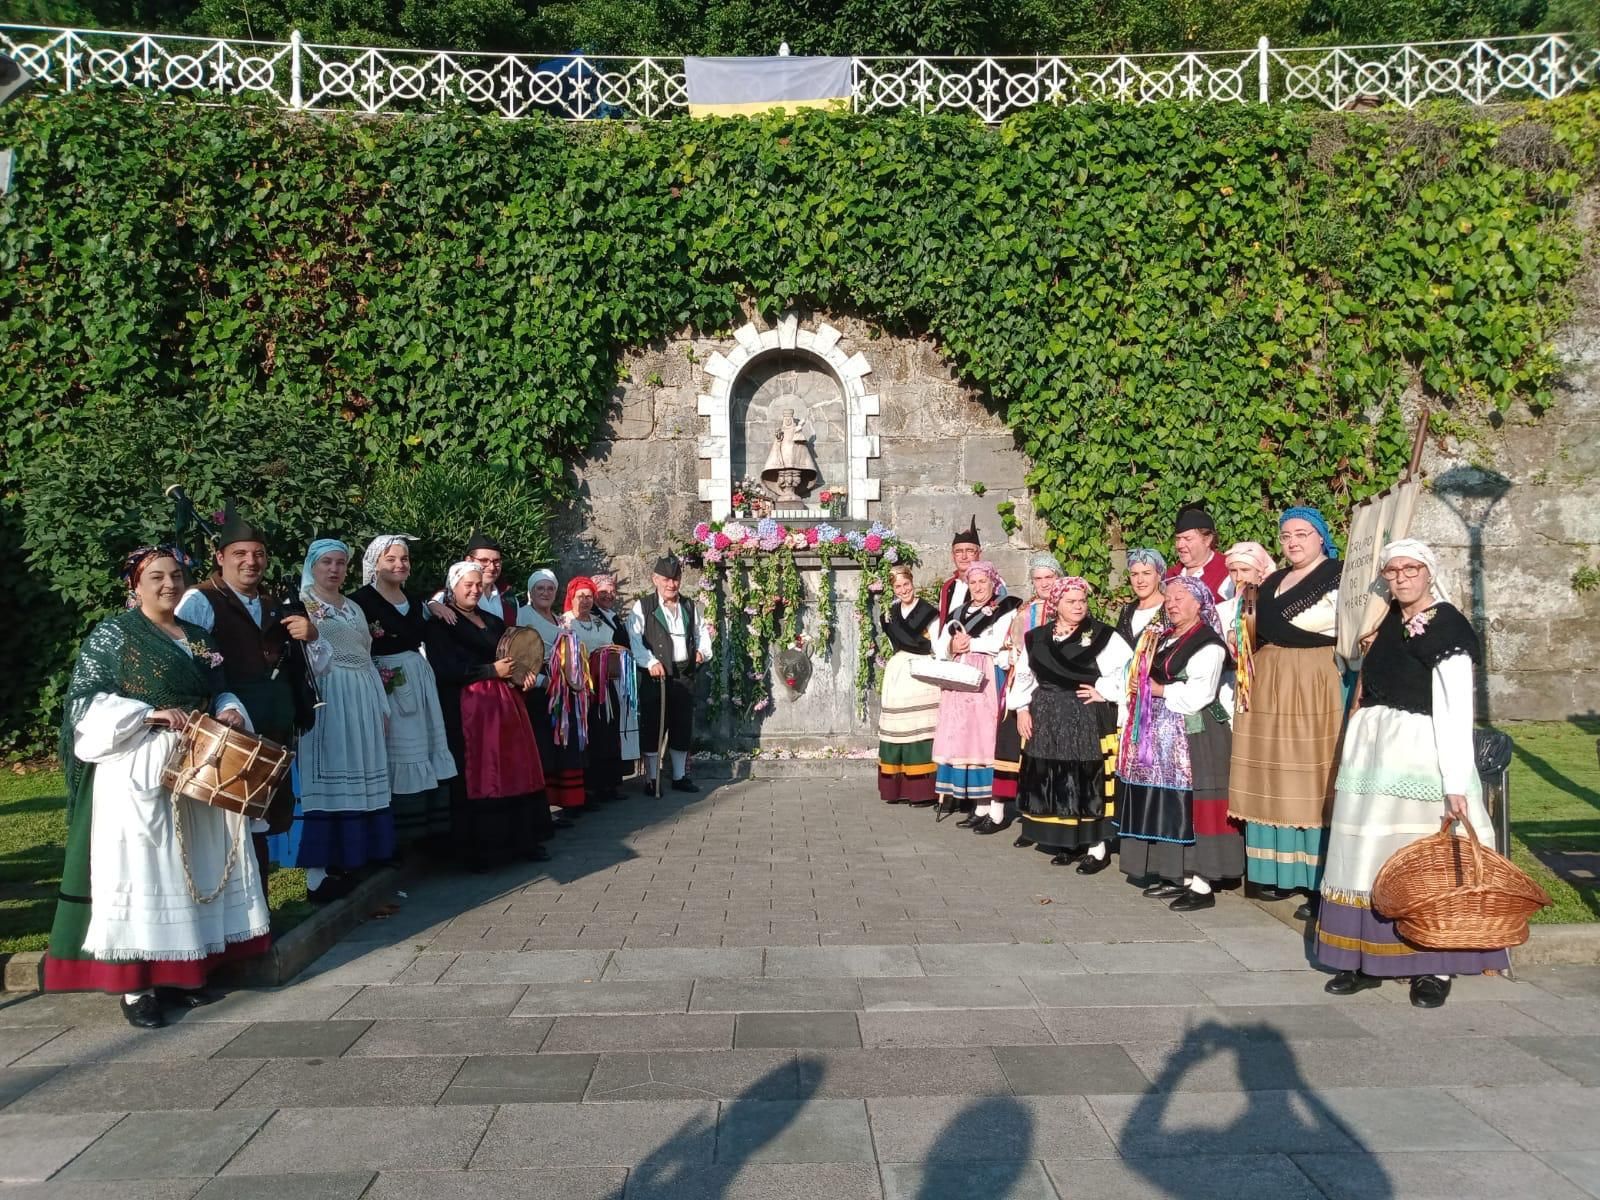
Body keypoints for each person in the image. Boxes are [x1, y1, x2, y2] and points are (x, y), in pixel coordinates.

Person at [45, 546, 270, 1027]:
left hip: (196, 763)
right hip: (138, 766)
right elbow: (85, 706)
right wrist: (147, 714)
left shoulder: (197, 636)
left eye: (175, 576)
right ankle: (136, 987)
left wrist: (229, 708)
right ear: (135, 584)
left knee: (188, 867)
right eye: (156, 577)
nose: (168, 584)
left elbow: (218, 688)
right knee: (145, 867)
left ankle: (182, 973)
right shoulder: (114, 635)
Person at [1316, 539, 1507, 1008]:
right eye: (1393, 572)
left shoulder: (1448, 627)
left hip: (1419, 753)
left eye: (1410, 570)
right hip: (1373, 755)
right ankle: (1365, 956)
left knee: (1420, 853)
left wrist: (1456, 781)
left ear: (1429, 572)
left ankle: (1434, 965)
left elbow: (1455, 707)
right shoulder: (1390, 623)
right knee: (1365, 851)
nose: (1401, 578)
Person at [176, 502, 327, 883]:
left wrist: (311, 637)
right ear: (220, 557)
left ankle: (256, 916)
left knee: (261, 822)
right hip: (228, 735)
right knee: (230, 827)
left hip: (274, 733)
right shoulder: (199, 600)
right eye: (240, 554)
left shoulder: (275, 606)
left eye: (258, 554)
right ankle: (236, 917)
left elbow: (315, 667)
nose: (251, 562)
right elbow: (185, 663)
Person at [1228, 509, 1343, 919]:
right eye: (1286, 535)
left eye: (1302, 534)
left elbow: (1324, 624)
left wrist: (1264, 629)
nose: (1293, 541)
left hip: (1312, 678)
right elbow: (1251, 629)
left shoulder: (1337, 576)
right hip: (1269, 681)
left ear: (1320, 538)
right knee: (1272, 771)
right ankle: (1277, 872)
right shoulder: (1273, 581)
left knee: (1311, 773)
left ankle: (1318, 881)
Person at [1117, 575, 1244, 911]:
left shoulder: (1209, 645)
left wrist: (1158, 690)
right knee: (1173, 806)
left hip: (1197, 734)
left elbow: (1199, 695)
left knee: (1198, 806)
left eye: (1179, 598)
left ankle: (1203, 883)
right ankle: (1179, 874)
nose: (1171, 605)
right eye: (1168, 599)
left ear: (1199, 604)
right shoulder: (1166, 638)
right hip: (1162, 736)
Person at [281, 539, 395, 903]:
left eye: (341, 563)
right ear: (312, 566)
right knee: (329, 771)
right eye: (326, 562)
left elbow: (367, 656)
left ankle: (351, 858)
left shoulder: (354, 608)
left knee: (359, 771)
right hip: (328, 693)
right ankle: (318, 872)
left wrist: (382, 705)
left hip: (362, 693)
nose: (334, 569)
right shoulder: (303, 605)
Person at [424, 562, 551, 869]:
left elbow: (516, 657)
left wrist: (523, 675)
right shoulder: (441, 625)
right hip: (472, 710)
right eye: (467, 584)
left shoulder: (493, 622)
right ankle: (486, 849)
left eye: (478, 584)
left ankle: (521, 841)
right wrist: (490, 671)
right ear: (452, 586)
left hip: (507, 706)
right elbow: (444, 669)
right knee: (484, 774)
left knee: (515, 769)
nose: (474, 589)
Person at [1010, 576, 1133, 869]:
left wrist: (1103, 691)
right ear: (1056, 605)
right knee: (1055, 775)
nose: (1079, 607)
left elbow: (1129, 672)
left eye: (1082, 601)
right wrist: (1021, 709)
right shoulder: (1037, 637)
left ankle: (1097, 847)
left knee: (1085, 778)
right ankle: (1069, 841)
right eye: (1071, 602)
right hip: (1047, 713)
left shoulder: (1103, 635)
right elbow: (1025, 675)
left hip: (1084, 714)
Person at [351, 534, 458, 853]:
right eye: (391, 559)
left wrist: (436, 604)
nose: (400, 564)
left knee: (425, 746)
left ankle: (429, 832)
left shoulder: (415, 600)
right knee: (397, 752)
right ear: (375, 564)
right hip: (385, 681)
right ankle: (398, 837)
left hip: (419, 679)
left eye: (404, 559)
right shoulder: (361, 601)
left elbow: (430, 613)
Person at [931, 561, 1022, 826]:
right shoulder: (959, 610)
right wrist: (951, 644)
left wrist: (973, 642)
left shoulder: (1005, 608)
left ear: (994, 583)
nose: (978, 587)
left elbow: (1005, 640)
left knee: (983, 739)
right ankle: (979, 806)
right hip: (959, 680)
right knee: (964, 739)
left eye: (983, 582)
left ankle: (994, 807)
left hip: (985, 679)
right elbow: (939, 645)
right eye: (973, 582)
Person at [628, 553, 714, 795]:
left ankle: (679, 776)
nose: (671, 584)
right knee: (654, 725)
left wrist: (702, 652)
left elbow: (701, 633)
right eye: (666, 579)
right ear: (655, 579)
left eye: (675, 578)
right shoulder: (643, 606)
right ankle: (652, 779)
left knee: (681, 725)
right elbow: (635, 639)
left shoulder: (689, 605)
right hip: (656, 675)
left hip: (683, 673)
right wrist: (650, 661)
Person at [994, 552, 1065, 837]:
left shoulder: (1067, 608)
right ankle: (1010, 811)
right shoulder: (1024, 610)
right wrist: (1009, 656)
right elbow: (1008, 644)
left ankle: (1042, 816)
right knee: (1012, 746)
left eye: (1049, 578)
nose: (1044, 584)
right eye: (1038, 579)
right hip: (1021, 683)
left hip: (1049, 688)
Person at [516, 568, 585, 817]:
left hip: (562, 689)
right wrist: (544, 681)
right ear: (530, 592)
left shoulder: (560, 620)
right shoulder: (522, 615)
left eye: (550, 589)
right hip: (538, 688)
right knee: (543, 744)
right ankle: (542, 806)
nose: (545, 593)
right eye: (540, 588)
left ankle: (567, 799)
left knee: (563, 743)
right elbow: (517, 653)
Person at [876, 564, 941, 805]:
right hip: (898, 673)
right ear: (893, 589)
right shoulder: (889, 614)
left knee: (921, 727)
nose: (904, 590)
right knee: (898, 728)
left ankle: (923, 789)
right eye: (898, 586)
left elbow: (938, 645)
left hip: (922, 670)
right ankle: (897, 787)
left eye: (906, 584)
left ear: (913, 583)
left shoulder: (928, 612)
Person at [561, 575, 615, 804]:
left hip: (601, 685)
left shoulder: (599, 623)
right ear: (571, 597)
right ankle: (584, 790)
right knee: (584, 736)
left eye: (589, 596)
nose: (585, 601)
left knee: (602, 733)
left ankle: (603, 784)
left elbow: (609, 647)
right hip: (577, 687)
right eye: (580, 596)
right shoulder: (564, 622)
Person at [588, 571, 639, 799]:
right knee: (603, 731)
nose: (609, 595)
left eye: (612, 591)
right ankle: (601, 783)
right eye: (603, 592)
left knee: (614, 730)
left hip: (617, 677)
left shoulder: (613, 616)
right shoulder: (593, 615)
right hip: (600, 681)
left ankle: (612, 782)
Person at [429, 529, 518, 623]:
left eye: (496, 561)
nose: (492, 567)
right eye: (484, 560)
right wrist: (432, 604)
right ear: (469, 561)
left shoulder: (510, 599)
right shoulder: (447, 596)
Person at [1164, 504, 1233, 603]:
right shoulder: (1170, 576)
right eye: (1178, 539)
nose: (1179, 545)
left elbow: (1249, 610)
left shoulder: (1229, 570)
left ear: (1207, 540)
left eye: (1188, 539)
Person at [1114, 548, 1168, 648]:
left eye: (1146, 573)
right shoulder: (1127, 610)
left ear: (1159, 575)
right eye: (1134, 574)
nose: (1140, 580)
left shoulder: (1169, 609)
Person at [937, 515, 984, 624]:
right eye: (958, 552)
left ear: (979, 554)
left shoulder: (991, 584)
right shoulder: (947, 587)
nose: (964, 557)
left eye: (969, 551)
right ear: (953, 556)